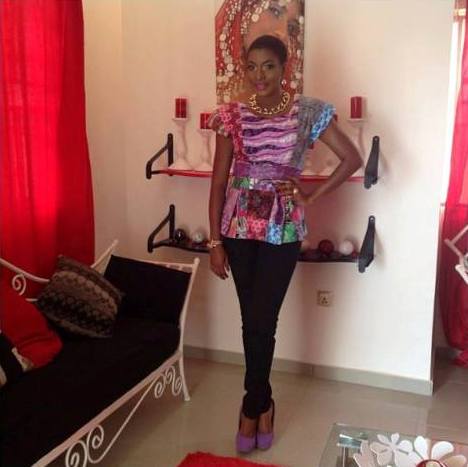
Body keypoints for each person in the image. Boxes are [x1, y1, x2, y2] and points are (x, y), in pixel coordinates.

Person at [207, 34, 362, 454]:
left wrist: (310, 196)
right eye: (251, 66)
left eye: (268, 66)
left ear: (284, 68)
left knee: (264, 317)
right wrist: (215, 242)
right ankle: (263, 403)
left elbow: (352, 158)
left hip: (283, 228)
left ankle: (251, 405)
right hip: (238, 228)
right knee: (251, 319)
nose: (259, 75)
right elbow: (218, 183)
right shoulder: (231, 116)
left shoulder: (307, 111)